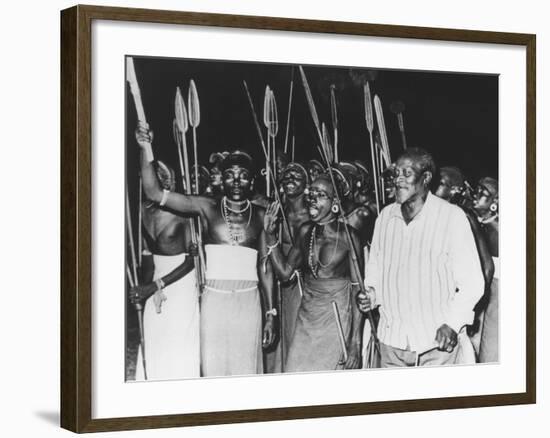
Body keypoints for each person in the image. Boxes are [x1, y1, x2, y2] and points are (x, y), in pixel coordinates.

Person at [136, 123, 277, 377]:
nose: (236, 180)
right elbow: (154, 192)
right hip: (214, 301)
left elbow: (265, 267)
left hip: (249, 302)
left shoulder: (261, 216)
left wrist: (271, 313)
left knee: (246, 371)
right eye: (229, 174)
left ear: (252, 180)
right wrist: (144, 148)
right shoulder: (207, 207)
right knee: (213, 371)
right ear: (221, 180)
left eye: (243, 174)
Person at [357, 148, 484, 367]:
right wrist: (372, 295)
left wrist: (452, 324)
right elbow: (376, 270)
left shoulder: (451, 217)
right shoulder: (385, 217)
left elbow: (473, 283)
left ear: (425, 178)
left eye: (407, 173)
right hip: (391, 343)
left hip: (435, 345)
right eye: (396, 173)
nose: (398, 179)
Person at [264, 173, 363, 372]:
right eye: (311, 193)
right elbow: (284, 274)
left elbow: (358, 292)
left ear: (335, 201)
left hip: (335, 320)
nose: (312, 199)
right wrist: (270, 235)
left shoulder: (349, 237)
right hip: (306, 318)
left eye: (321, 195)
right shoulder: (305, 231)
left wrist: (355, 343)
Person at [129, 160, 200, 380]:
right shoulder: (141, 211)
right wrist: (142, 288)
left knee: (180, 343)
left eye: (161, 178)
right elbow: (149, 258)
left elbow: (192, 261)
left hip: (182, 285)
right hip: (155, 284)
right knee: (155, 337)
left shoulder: (182, 214)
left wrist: (155, 285)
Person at [434, 166, 495, 356]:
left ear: (454, 190)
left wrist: (472, 311)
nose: (434, 188)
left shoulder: (463, 216)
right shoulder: (435, 214)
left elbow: (486, 268)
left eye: (440, 184)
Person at [271, 162, 310, 372]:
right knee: (286, 335)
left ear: (306, 184)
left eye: (296, 176)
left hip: (304, 284)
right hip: (282, 284)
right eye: (286, 177)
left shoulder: (312, 216)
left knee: (301, 335)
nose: (290, 180)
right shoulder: (278, 214)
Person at [472, 177, 499, 363]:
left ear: (495, 203)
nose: (476, 194)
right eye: (477, 189)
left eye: (484, 192)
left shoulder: (496, 231)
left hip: (496, 303)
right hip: (486, 301)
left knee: (489, 356)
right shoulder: (484, 224)